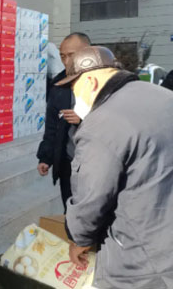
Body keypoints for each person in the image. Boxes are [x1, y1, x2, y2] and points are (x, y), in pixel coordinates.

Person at [54, 46, 173, 289]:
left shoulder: (102, 123)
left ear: (91, 82)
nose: (76, 99)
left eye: (75, 89)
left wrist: (80, 238)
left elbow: (91, 196)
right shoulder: (163, 96)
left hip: (140, 262)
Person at [36, 32, 91, 209]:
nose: (66, 61)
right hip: (68, 162)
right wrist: (46, 157)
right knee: (71, 212)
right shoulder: (59, 85)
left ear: (87, 52)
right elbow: (52, 127)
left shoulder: (105, 83)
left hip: (96, 164)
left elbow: (117, 125)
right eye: (62, 56)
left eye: (71, 55)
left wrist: (84, 120)